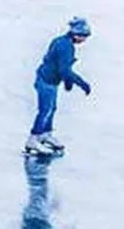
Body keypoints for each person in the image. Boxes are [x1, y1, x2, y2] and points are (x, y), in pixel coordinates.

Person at [26, 17, 93, 156]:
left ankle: (45, 134)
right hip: (47, 82)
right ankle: (33, 138)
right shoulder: (66, 47)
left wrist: (67, 81)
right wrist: (81, 83)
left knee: (52, 108)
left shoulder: (62, 41)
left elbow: (62, 67)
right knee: (45, 110)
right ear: (77, 34)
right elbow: (64, 70)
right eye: (84, 36)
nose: (84, 40)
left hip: (50, 80)